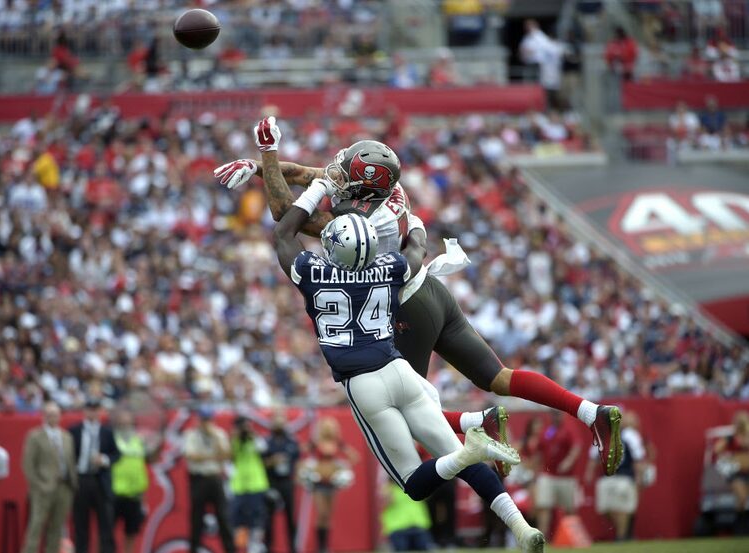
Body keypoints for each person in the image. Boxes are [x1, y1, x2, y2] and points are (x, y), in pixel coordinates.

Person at [215, 119, 624, 479]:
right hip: (430, 292)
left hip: (403, 312)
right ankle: (591, 412)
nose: (334, 177)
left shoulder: (361, 222)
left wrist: (267, 154)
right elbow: (311, 174)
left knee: (401, 411)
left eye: (344, 176)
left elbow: (287, 214)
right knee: (498, 376)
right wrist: (257, 168)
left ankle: (475, 422)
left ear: (362, 187)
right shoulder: (387, 191)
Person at [263, 116, 545, 552]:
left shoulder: (311, 272)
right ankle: (520, 526)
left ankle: (469, 441)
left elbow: (283, 229)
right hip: (400, 371)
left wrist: (311, 185)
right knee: (445, 437)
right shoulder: (388, 268)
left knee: (416, 481)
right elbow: (415, 248)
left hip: (365, 385)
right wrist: (410, 218)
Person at [22, 401, 77, 553]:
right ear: (44, 416)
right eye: (50, 414)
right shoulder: (35, 436)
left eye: (56, 414)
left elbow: (70, 461)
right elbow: (28, 465)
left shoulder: (66, 437)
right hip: (43, 488)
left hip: (64, 486)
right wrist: (38, 485)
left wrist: (72, 484)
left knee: (57, 526)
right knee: (36, 525)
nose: (53, 417)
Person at [298, 417, 359, 553]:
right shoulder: (316, 442)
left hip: (332, 483)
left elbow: (354, 457)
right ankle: (321, 546)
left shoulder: (337, 442)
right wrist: (308, 468)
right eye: (326, 426)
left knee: (328, 516)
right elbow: (301, 452)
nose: (328, 428)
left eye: (330, 426)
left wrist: (342, 469)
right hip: (318, 482)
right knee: (321, 513)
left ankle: (325, 547)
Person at [587, 411, 650, 541]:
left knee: (622, 507)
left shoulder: (630, 435)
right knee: (605, 508)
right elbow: (594, 457)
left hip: (624, 475)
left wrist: (639, 476)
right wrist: (589, 472)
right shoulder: (603, 435)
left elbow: (638, 458)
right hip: (606, 477)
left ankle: (621, 537)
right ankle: (623, 533)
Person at [69, 398, 119, 553]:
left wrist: (104, 459)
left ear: (100, 411)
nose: (92, 412)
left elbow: (116, 454)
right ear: (85, 411)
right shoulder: (74, 431)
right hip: (81, 479)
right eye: (90, 409)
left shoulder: (107, 432)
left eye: (95, 409)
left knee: (106, 525)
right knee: (80, 525)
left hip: (100, 480)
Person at [182, 407, 235, 553]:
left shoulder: (219, 434)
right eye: (203, 420)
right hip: (198, 479)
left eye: (208, 420)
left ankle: (230, 550)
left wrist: (215, 438)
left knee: (223, 518)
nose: (205, 423)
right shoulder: (191, 435)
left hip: (215, 478)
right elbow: (191, 456)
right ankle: (194, 549)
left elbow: (226, 455)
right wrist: (212, 457)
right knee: (196, 519)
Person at [112, 409, 161, 553]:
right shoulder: (112, 439)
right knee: (107, 534)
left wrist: (158, 443)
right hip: (114, 494)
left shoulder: (139, 440)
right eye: (122, 422)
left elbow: (151, 460)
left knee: (131, 534)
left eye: (128, 422)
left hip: (135, 495)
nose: (125, 425)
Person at [532, 411, 582, 538]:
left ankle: (572, 537)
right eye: (553, 414)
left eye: (558, 414)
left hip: (566, 477)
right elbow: (539, 451)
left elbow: (577, 446)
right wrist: (536, 471)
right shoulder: (548, 430)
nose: (555, 416)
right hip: (548, 475)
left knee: (569, 508)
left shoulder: (569, 428)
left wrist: (568, 461)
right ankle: (542, 537)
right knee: (544, 505)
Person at [230, 415, 271, 553]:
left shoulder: (254, 439)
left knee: (257, 516)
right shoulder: (233, 441)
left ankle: (255, 546)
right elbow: (228, 456)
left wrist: (252, 434)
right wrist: (235, 436)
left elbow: (263, 448)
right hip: (239, 484)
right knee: (238, 517)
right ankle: (240, 546)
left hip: (256, 483)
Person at [263, 409, 300, 553]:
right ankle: (268, 547)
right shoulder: (266, 441)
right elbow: (261, 463)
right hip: (271, 481)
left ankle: (292, 547)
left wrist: (296, 477)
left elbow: (297, 460)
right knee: (268, 516)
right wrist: (272, 461)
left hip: (286, 481)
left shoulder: (291, 440)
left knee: (290, 515)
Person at [714, 411, 749, 534]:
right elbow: (717, 448)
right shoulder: (731, 438)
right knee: (742, 497)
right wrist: (729, 457)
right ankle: (740, 526)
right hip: (737, 473)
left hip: (747, 472)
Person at [381, 477, 434, 551]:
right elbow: (383, 503)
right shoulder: (389, 489)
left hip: (418, 525)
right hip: (398, 528)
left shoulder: (416, 486)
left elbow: (428, 495)